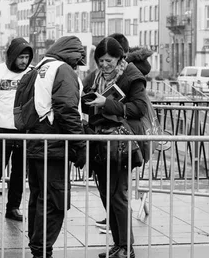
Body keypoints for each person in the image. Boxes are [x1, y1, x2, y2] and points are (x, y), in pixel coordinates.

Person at [83, 37, 148, 258]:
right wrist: (86, 100)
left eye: (108, 60)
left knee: (117, 194)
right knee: (105, 194)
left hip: (122, 143)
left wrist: (107, 103)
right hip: (101, 141)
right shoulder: (95, 77)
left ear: (119, 58)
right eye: (100, 61)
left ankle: (126, 247)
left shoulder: (131, 76)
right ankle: (119, 244)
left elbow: (139, 108)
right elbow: (85, 101)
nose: (104, 65)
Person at [27, 35, 88, 258]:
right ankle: (42, 249)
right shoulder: (63, 70)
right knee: (55, 201)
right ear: (73, 56)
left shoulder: (40, 68)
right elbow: (67, 109)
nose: (78, 68)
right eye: (77, 63)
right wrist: (80, 144)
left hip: (34, 142)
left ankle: (36, 246)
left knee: (38, 197)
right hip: (53, 145)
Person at [0, 37, 34, 223]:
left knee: (20, 172)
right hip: (0, 130)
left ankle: (13, 207)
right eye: (20, 57)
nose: (24, 61)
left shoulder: (32, 74)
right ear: (12, 56)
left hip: (23, 130)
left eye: (27, 57)